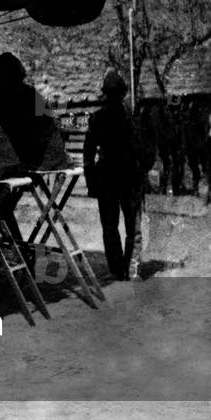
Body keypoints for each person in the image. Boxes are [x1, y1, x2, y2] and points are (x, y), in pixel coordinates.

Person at [83, 70, 152, 281]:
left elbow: (88, 155)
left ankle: (116, 270)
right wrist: (143, 174)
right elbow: (145, 151)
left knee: (110, 228)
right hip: (130, 179)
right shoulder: (133, 118)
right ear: (123, 94)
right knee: (133, 229)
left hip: (107, 180)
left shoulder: (97, 118)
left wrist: (91, 182)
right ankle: (131, 269)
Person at [0, 51, 69, 170]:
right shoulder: (26, 94)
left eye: (1, 75)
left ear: (10, 75)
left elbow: (33, 134)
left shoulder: (27, 97)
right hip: (40, 155)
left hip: (41, 158)